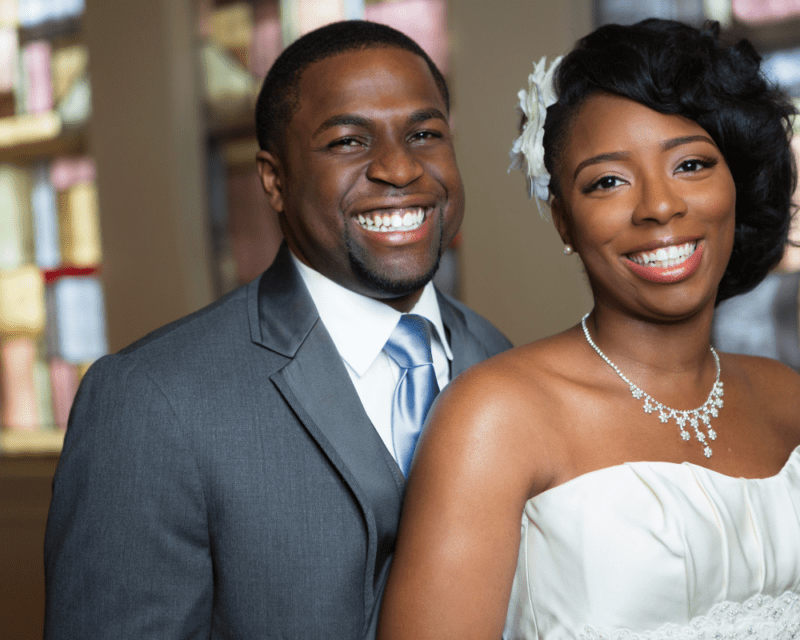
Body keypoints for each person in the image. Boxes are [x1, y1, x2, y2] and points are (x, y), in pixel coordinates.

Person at [43, 20, 511, 640]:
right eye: (348, 141)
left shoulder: (501, 362)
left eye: (424, 134)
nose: (400, 168)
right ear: (274, 180)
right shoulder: (149, 400)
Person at [378, 19, 800, 640]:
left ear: (736, 183)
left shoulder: (786, 397)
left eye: (690, 164)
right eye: (607, 181)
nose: (658, 205)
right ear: (564, 222)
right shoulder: (495, 417)